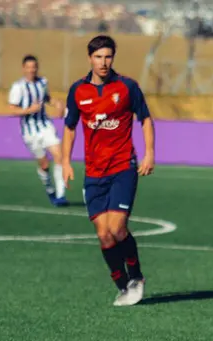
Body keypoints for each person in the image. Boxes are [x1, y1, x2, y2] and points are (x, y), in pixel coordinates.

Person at [61, 35, 156, 307]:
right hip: (94, 173)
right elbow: (69, 127)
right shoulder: (78, 90)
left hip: (122, 166)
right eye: (98, 57)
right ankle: (122, 285)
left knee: (117, 228)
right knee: (103, 235)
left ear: (113, 58)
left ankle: (136, 276)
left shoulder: (127, 87)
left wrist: (149, 153)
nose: (103, 62)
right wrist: (65, 161)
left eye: (108, 57)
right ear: (90, 58)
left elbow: (145, 119)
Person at [7, 55, 68, 206]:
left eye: (34, 67)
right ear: (23, 69)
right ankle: (50, 189)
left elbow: (46, 97)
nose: (31, 70)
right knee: (44, 164)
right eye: (28, 67)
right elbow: (12, 110)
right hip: (30, 132)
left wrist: (57, 104)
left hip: (45, 126)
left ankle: (61, 195)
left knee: (59, 156)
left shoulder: (42, 82)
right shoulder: (18, 87)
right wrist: (30, 110)